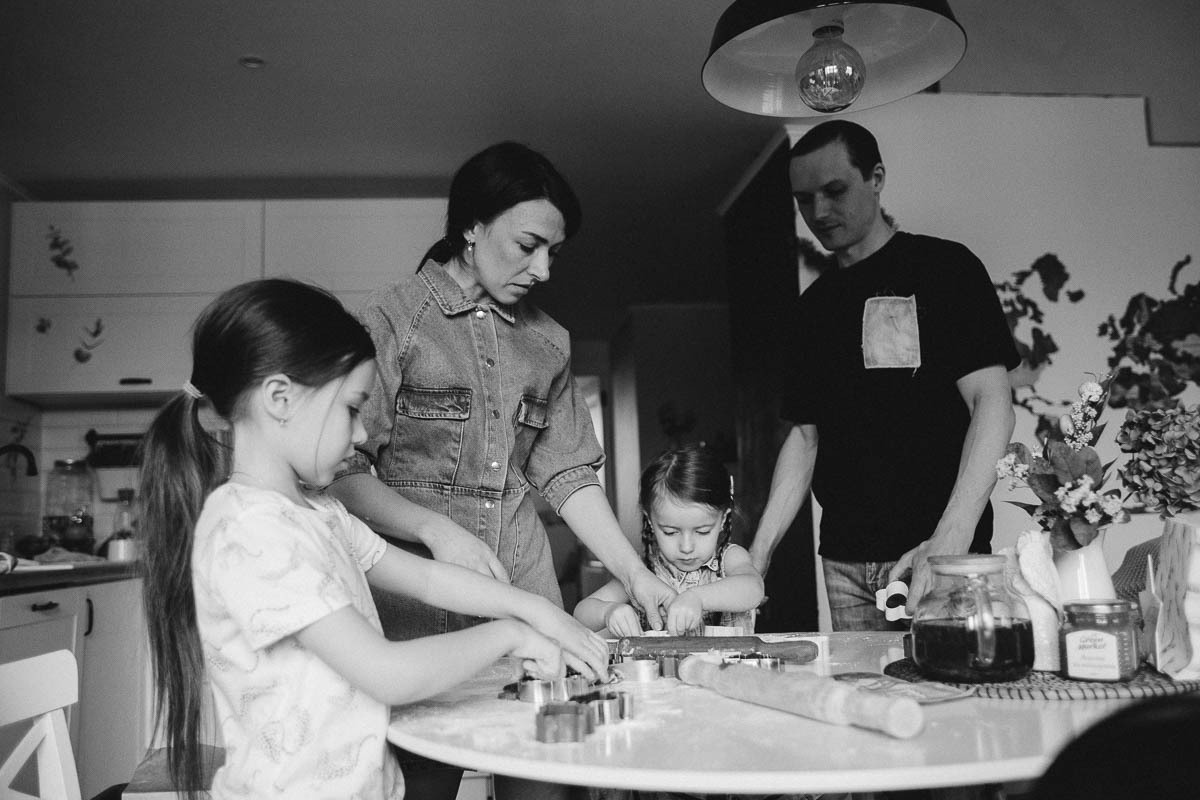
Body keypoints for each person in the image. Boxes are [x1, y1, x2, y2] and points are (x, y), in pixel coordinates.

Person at [139, 279, 609, 800]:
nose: (363, 434)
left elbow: (428, 579)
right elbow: (385, 673)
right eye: (350, 409)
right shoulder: (250, 529)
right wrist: (511, 636)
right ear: (280, 399)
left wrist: (536, 610)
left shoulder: (319, 513)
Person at [326, 141, 676, 798]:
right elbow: (343, 473)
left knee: (545, 775)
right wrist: (436, 530)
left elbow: (569, 475)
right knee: (421, 784)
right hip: (415, 603)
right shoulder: (392, 320)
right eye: (527, 245)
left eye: (554, 253)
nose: (542, 269)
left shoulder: (550, 343)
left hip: (526, 586)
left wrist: (636, 574)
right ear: (471, 225)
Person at [748, 120, 1018, 631]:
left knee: (951, 682)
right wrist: (758, 554)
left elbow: (993, 404)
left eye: (835, 191)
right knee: (861, 687)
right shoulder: (811, 310)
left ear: (876, 179)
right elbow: (805, 438)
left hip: (939, 553)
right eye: (804, 199)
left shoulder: (946, 268)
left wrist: (952, 534)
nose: (819, 212)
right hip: (844, 562)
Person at [575, 444, 764, 636]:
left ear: (723, 519)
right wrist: (608, 612)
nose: (686, 547)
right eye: (670, 532)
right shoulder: (644, 573)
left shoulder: (730, 559)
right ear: (650, 520)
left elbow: (754, 588)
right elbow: (581, 614)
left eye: (702, 531)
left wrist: (698, 598)